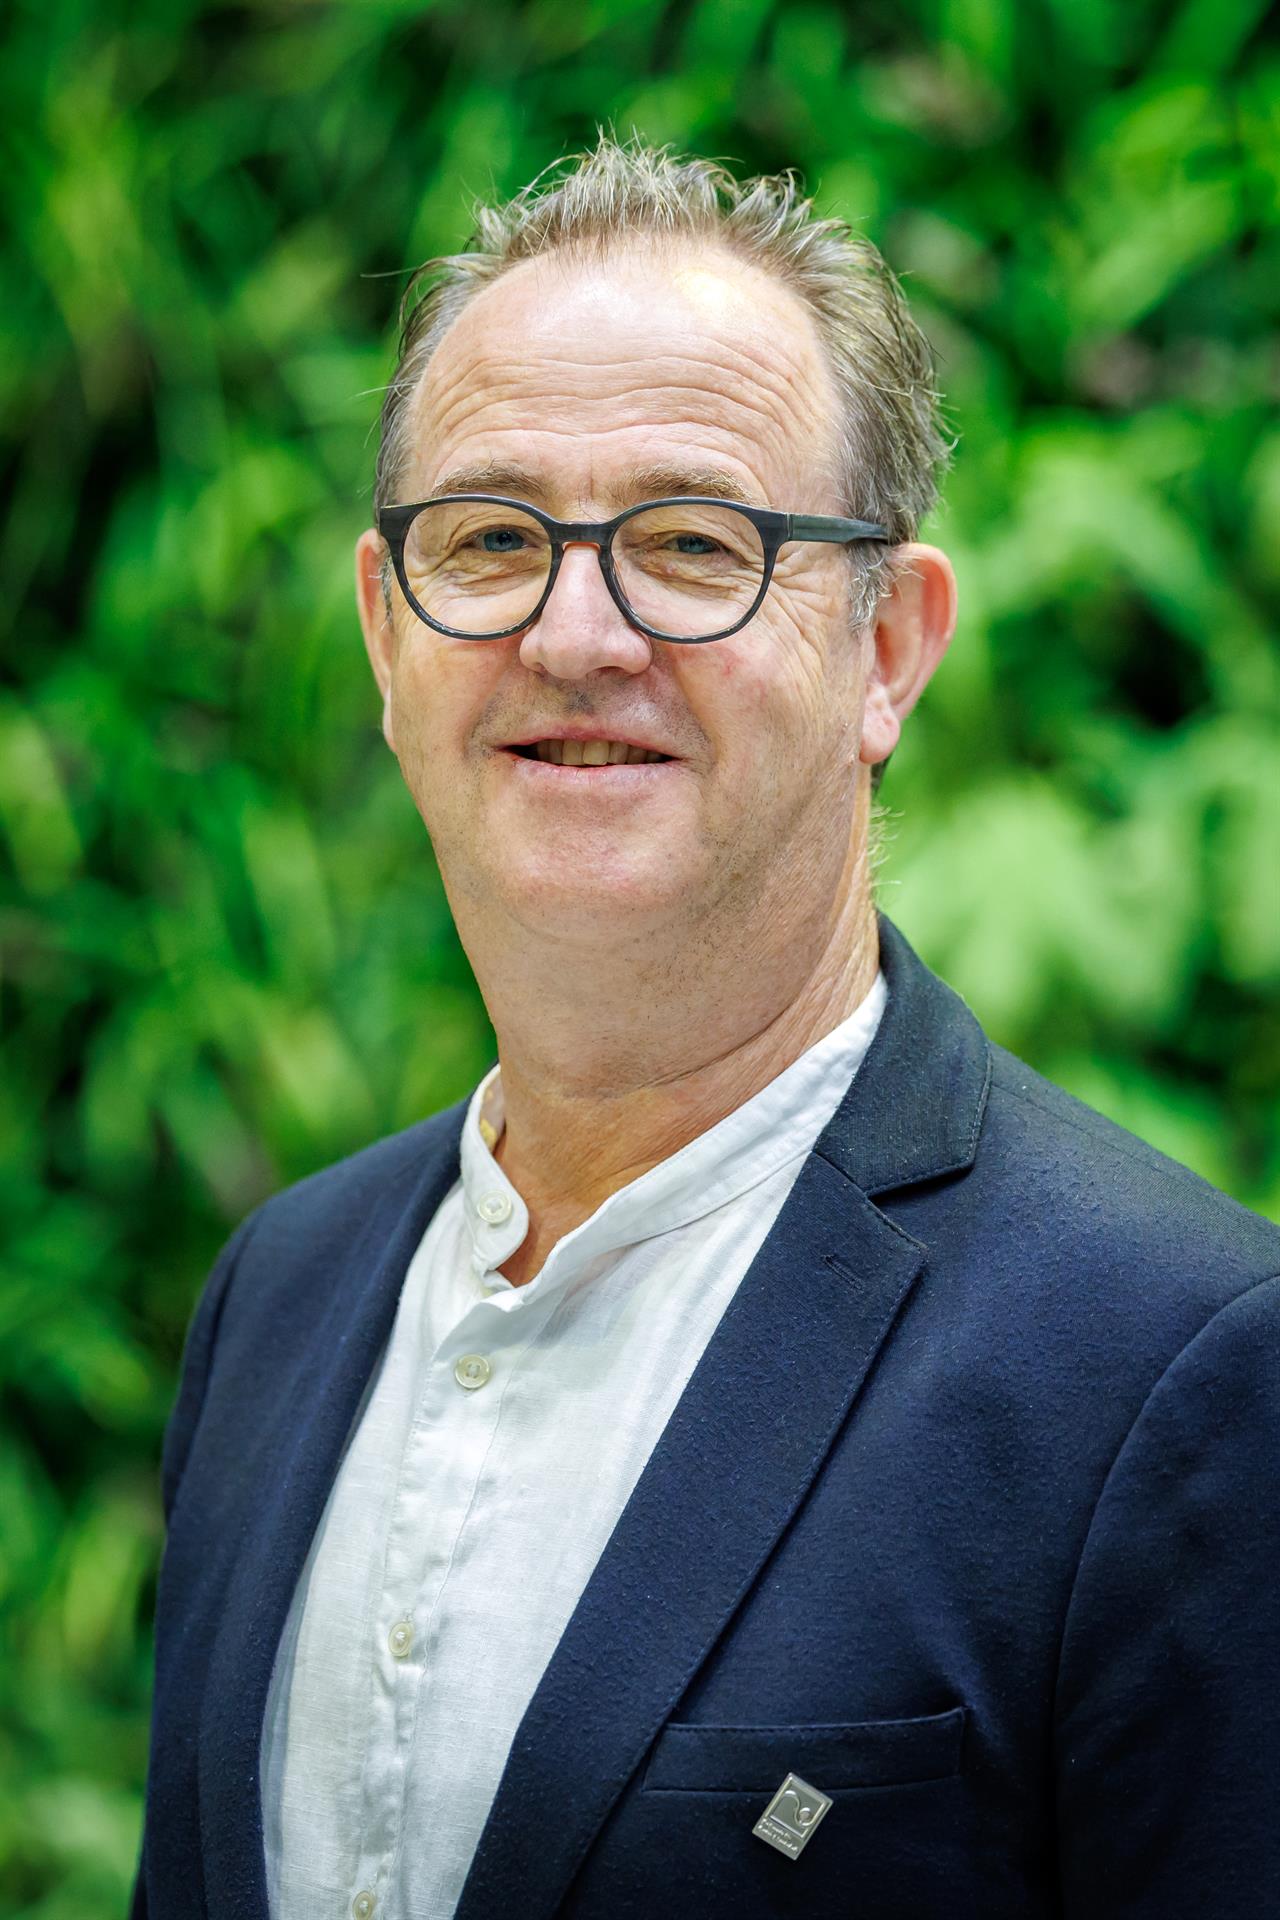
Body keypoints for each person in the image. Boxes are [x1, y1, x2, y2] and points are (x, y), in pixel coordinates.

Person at [130, 136, 1280, 1920]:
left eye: (690, 543)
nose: (576, 631)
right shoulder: (277, 1295)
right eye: (491, 539)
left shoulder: (1173, 1363)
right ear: (383, 633)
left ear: (888, 646)